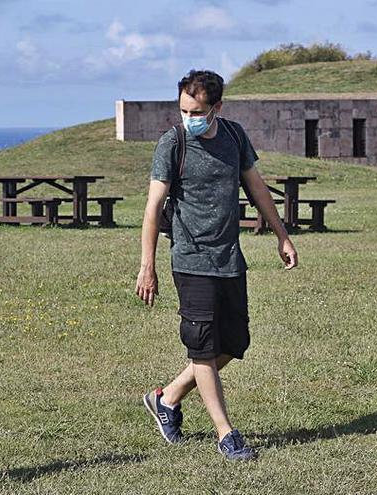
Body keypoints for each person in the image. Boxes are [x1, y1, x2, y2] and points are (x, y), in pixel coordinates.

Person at [135, 69, 298, 461]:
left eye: (196, 111)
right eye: (183, 110)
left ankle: (167, 397)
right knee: (203, 349)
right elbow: (153, 208)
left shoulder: (234, 136)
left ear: (217, 108)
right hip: (190, 259)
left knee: (235, 342)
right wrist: (147, 264)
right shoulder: (172, 144)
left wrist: (282, 234)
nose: (188, 118)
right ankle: (226, 435)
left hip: (229, 258)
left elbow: (256, 186)